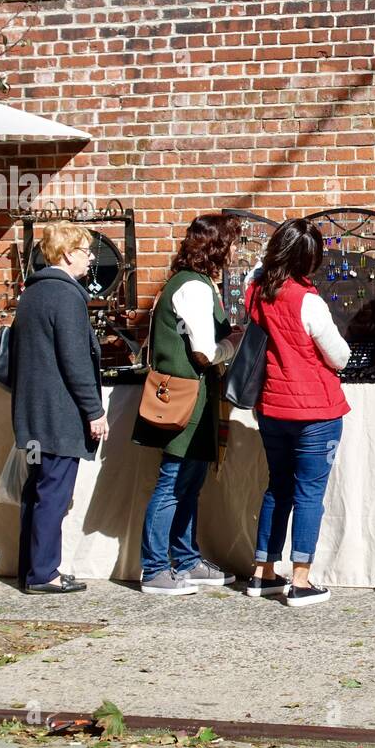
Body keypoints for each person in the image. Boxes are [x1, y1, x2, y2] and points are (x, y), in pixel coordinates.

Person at [241, 219, 351, 606]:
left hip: (271, 406)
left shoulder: (254, 292)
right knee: (309, 492)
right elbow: (338, 355)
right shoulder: (309, 301)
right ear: (309, 259)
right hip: (315, 410)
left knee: (278, 486)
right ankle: (301, 580)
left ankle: (262, 571)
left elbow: (258, 274)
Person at [132, 214, 243, 595]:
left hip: (194, 397)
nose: (234, 251)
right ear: (216, 247)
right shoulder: (194, 288)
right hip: (186, 398)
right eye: (231, 243)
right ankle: (155, 569)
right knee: (173, 482)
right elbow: (203, 353)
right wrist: (234, 342)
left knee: (188, 482)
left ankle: (186, 559)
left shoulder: (192, 283)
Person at [10, 221, 107, 594]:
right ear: (67, 254)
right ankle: (44, 574)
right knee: (53, 493)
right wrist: (94, 412)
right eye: (85, 250)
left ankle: (31, 568)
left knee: (36, 491)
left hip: (33, 414)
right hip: (59, 414)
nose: (90, 257)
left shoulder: (32, 294)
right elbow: (76, 361)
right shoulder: (66, 296)